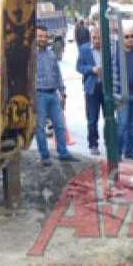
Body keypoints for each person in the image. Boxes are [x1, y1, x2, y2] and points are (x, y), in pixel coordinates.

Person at [33, 25, 75, 165]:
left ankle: (63, 152)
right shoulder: (30, 56)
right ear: (35, 37)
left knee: (60, 125)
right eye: (40, 36)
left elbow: (58, 74)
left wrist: (63, 93)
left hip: (53, 95)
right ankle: (44, 156)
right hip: (39, 95)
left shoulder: (51, 54)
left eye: (44, 36)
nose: (42, 39)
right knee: (40, 127)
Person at [114, 27, 133, 161]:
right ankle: (117, 152)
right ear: (121, 38)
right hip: (122, 95)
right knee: (122, 124)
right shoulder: (115, 52)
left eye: (132, 36)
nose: (130, 39)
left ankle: (129, 151)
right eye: (126, 36)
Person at [76, 26, 105, 156]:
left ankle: (110, 142)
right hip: (92, 87)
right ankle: (93, 144)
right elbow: (79, 66)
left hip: (106, 88)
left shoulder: (108, 48)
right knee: (92, 118)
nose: (97, 41)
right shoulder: (84, 49)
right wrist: (91, 69)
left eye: (99, 38)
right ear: (90, 38)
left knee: (109, 117)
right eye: (94, 38)